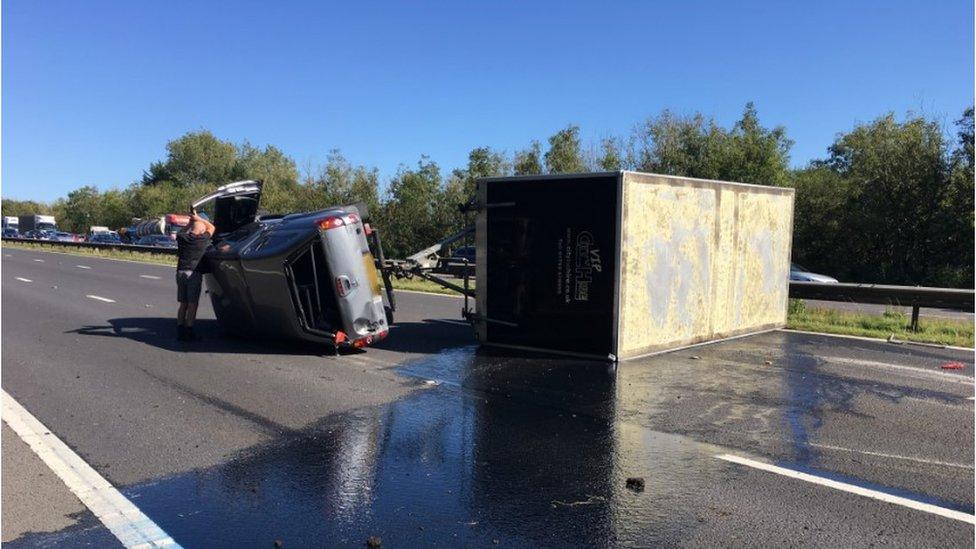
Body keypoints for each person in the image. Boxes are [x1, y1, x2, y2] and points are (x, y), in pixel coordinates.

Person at [175, 208, 215, 341]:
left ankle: (180, 330)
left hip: (180, 272)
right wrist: (198, 219)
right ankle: (189, 330)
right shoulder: (202, 239)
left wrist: (190, 222)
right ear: (202, 229)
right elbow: (212, 227)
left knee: (183, 304)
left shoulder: (182, 237)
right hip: (193, 273)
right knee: (193, 304)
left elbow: (180, 232)